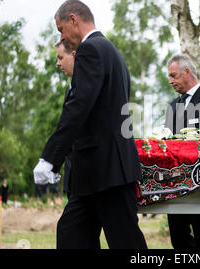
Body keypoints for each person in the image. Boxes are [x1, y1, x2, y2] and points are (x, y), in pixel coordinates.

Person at [33, 0, 147, 249]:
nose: (62, 36)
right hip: (96, 172)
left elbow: (79, 107)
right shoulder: (111, 51)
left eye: (61, 29)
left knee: (125, 242)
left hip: (107, 171)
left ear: (74, 19)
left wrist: (51, 157)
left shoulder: (91, 50)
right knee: (72, 234)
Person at [164, 54, 200, 249]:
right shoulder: (172, 107)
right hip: (176, 184)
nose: (170, 81)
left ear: (187, 71)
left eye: (173, 75)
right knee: (178, 238)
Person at [55, 40, 76, 198]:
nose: (57, 63)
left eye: (61, 58)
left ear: (73, 55)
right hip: (72, 175)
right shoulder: (70, 89)